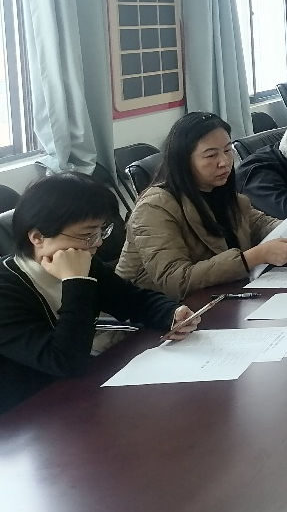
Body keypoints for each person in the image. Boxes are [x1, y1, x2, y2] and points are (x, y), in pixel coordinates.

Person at [0, 173, 200, 414]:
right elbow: (64, 360)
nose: (97, 243)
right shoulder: (7, 291)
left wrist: (171, 313)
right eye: (87, 235)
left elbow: (133, 300)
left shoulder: (85, 262)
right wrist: (76, 282)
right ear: (37, 237)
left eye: (100, 231)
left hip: (81, 391)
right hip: (29, 412)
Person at [116, 112, 287, 301]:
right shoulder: (154, 208)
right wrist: (254, 257)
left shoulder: (224, 194)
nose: (224, 162)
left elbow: (263, 225)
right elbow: (175, 281)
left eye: (227, 150)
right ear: (183, 160)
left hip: (218, 298)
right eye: (211, 155)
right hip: (152, 311)